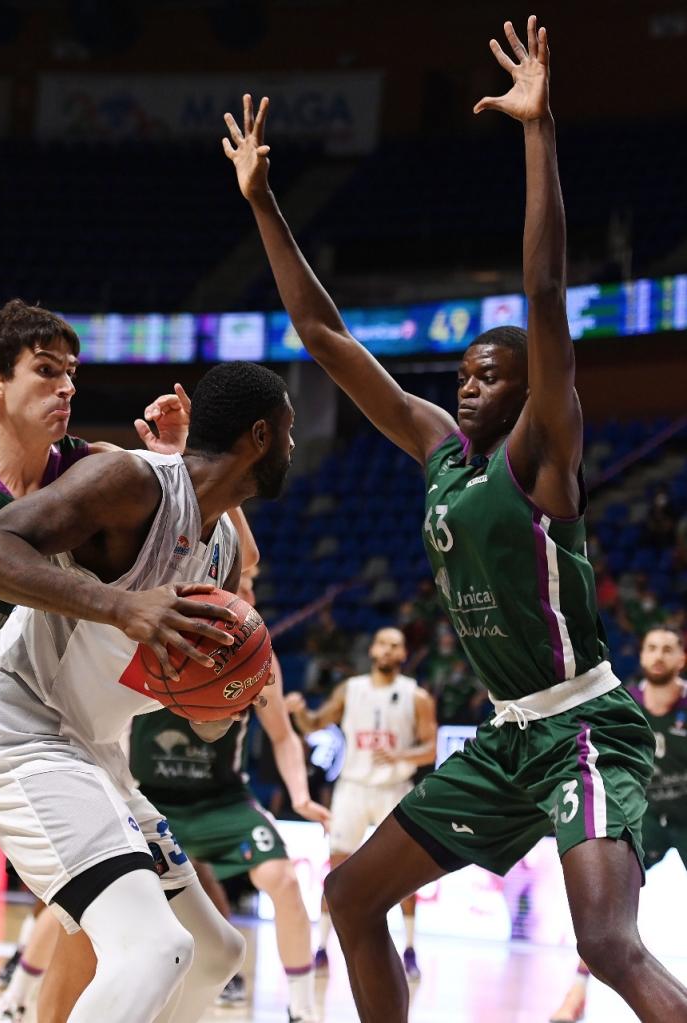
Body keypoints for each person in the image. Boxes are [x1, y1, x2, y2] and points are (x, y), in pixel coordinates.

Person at [222, 16, 687, 1022]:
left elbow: (545, 287)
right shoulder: (436, 445)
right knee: (350, 896)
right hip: (505, 742)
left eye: (492, 375)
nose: (470, 386)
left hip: (581, 733)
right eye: (466, 373)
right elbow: (322, 334)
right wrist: (263, 204)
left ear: (529, 390)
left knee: (606, 945)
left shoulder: (540, 453)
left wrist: (536, 131)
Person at [0, 360, 295, 1023]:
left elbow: (201, 705)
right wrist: (116, 606)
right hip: (16, 726)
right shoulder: (131, 480)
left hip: (95, 751)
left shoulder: (220, 551)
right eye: (289, 430)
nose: (294, 446)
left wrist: (223, 704)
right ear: (259, 436)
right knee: (151, 948)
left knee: (216, 952)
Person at [130, 618, 330, 1023]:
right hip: (151, 797)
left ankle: (303, 1011)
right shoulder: (150, 631)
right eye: (245, 579)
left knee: (285, 881)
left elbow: (282, 735)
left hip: (222, 799)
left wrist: (301, 797)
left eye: (254, 582)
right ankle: (18, 993)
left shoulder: (257, 656)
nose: (250, 586)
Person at [550, 626, 687, 1022]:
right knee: (603, 907)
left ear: (681, 659)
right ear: (641, 656)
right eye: (651, 648)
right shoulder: (624, 703)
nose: (658, 655)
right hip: (643, 816)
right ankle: (576, 993)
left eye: (668, 649)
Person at [285, 627, 436, 982]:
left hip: (393, 787)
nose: (388, 650)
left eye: (395, 645)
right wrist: (298, 712)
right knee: (337, 868)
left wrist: (401, 753)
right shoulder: (351, 690)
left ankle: (410, 950)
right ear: (372, 649)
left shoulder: (417, 696)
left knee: (404, 874)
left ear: (403, 654)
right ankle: (321, 948)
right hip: (352, 787)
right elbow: (313, 725)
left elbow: (430, 748)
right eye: (382, 643)